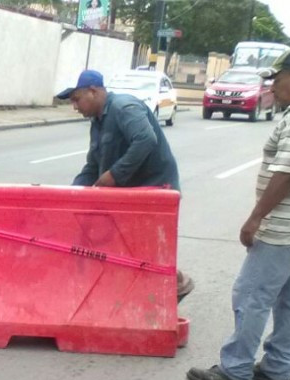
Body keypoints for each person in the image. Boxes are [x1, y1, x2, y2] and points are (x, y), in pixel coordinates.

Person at [187, 49, 290, 380]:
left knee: (251, 296)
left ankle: (235, 369)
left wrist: (255, 218)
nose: (272, 87)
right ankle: (277, 367)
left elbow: (287, 172)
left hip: (284, 230)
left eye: (277, 79)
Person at [56, 69, 194, 301]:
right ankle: (127, 296)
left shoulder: (124, 107)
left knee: (145, 249)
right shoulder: (97, 122)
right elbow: (93, 166)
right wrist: (72, 193)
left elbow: (146, 139)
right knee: (121, 246)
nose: (75, 106)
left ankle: (175, 286)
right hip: (130, 195)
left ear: (93, 91)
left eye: (77, 99)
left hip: (156, 191)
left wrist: (114, 175)